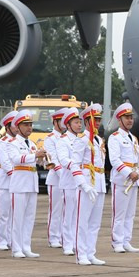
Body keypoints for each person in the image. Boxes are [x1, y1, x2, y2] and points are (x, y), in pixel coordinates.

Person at [108, 102, 139, 253]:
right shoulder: (115, 138)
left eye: (131, 117)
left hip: (134, 179)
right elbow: (115, 160)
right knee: (119, 214)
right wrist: (129, 172)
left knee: (130, 213)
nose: (130, 120)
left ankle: (127, 241)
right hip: (122, 180)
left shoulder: (133, 138)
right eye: (126, 118)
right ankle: (117, 242)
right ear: (119, 120)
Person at [1, 110, 45, 258]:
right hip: (19, 184)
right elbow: (16, 159)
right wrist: (35, 156)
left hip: (31, 183)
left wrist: (41, 159)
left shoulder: (31, 143)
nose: (29, 128)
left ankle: (26, 246)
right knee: (18, 217)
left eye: (30, 124)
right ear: (17, 127)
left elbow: (35, 162)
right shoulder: (11, 143)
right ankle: (16, 248)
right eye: (25, 125)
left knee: (29, 217)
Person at [70, 104, 107, 266]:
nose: (97, 123)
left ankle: (91, 252)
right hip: (87, 182)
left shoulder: (98, 140)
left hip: (98, 182)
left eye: (99, 120)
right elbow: (74, 164)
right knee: (82, 221)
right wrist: (83, 185)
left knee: (95, 222)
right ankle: (81, 254)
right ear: (87, 121)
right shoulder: (82, 139)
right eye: (95, 120)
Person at [57, 108, 82, 257]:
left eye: (80, 122)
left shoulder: (82, 139)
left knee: (78, 214)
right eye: (76, 122)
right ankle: (67, 244)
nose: (79, 125)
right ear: (68, 124)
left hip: (80, 181)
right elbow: (64, 160)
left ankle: (76, 242)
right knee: (69, 214)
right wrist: (77, 165)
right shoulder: (63, 140)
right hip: (69, 182)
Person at [43, 108, 68, 249]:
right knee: (56, 210)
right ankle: (53, 237)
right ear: (55, 122)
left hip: (68, 178)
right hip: (56, 179)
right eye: (61, 121)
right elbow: (53, 159)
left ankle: (65, 236)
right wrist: (64, 175)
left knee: (67, 209)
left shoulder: (69, 138)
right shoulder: (50, 139)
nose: (64, 124)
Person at [0, 111, 18, 252]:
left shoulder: (19, 141)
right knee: (3, 214)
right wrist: (15, 175)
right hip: (5, 182)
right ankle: (2, 240)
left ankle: (10, 238)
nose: (17, 128)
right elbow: (5, 162)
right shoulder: (3, 142)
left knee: (13, 214)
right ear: (8, 127)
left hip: (17, 183)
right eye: (14, 125)